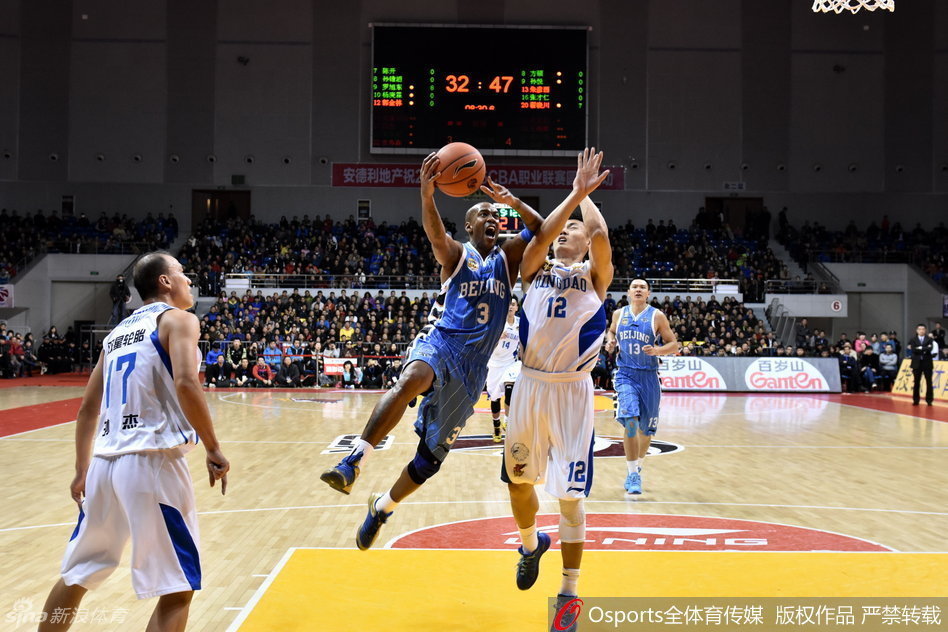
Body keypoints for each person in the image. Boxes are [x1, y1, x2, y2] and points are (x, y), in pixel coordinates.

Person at [320, 147, 608, 554]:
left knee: (429, 460)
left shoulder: (509, 260)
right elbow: (436, 235)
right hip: (442, 342)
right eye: (483, 216)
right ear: (469, 226)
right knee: (411, 379)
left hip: (474, 368)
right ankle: (353, 461)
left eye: (495, 217)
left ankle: (382, 507)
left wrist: (512, 202)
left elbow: (542, 228)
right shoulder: (457, 255)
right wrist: (426, 196)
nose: (491, 220)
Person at [38, 251, 229, 631]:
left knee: (77, 574)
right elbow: (188, 382)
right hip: (151, 464)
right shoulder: (179, 319)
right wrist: (212, 446)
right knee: (178, 588)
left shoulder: (115, 335)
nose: (188, 280)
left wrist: (81, 471)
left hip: (104, 466)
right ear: (164, 281)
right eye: (182, 273)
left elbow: (87, 410)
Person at [501, 177, 612, 631]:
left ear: (585, 244)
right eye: (561, 228)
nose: (564, 232)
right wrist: (566, 203)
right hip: (529, 385)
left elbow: (602, 236)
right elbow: (542, 233)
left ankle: (569, 592)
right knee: (517, 482)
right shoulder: (535, 268)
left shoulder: (595, 277)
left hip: (571, 391)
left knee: (569, 496)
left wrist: (584, 194)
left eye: (573, 229)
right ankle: (530, 545)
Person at [605, 278, 678, 495]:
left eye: (642, 287)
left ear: (648, 293)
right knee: (630, 421)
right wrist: (610, 341)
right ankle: (632, 473)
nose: (638, 290)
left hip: (648, 377)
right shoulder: (619, 314)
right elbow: (611, 331)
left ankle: (636, 469)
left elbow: (674, 344)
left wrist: (658, 351)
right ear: (628, 292)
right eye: (635, 287)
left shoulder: (657, 315)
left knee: (646, 431)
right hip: (625, 375)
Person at [485, 296, 521, 442]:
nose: (510, 307)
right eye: (508, 304)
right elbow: (485, 340)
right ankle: (496, 426)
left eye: (513, 304)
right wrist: (497, 336)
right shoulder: (497, 321)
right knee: (494, 398)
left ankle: (507, 420)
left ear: (517, 307)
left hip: (511, 363)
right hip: (494, 363)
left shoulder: (521, 324)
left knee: (509, 390)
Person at [906, 324, 937, 405]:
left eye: (923, 329)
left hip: (927, 363)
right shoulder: (913, 339)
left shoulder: (929, 339)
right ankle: (916, 400)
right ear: (917, 330)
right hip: (916, 363)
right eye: (919, 329)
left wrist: (920, 348)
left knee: (929, 382)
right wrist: (924, 348)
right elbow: (913, 349)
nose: (921, 331)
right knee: (916, 382)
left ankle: (929, 400)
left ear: (925, 330)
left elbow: (930, 348)